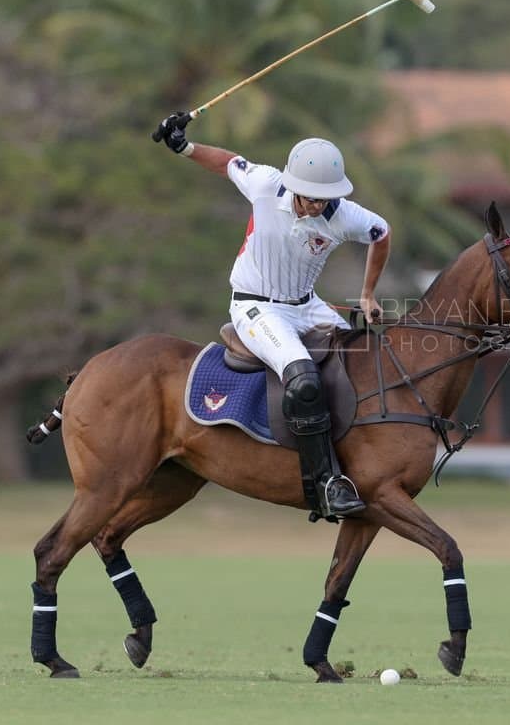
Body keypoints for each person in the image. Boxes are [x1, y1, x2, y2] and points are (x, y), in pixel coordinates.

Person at [153, 111, 391, 519]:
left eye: (325, 196)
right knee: (302, 377)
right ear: (293, 185)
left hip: (307, 305)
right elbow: (228, 163)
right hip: (255, 305)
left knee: (366, 357)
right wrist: (184, 146)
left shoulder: (345, 215)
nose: (318, 203)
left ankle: (365, 460)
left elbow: (381, 234)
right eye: (311, 195)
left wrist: (367, 293)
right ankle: (325, 482)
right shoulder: (266, 184)